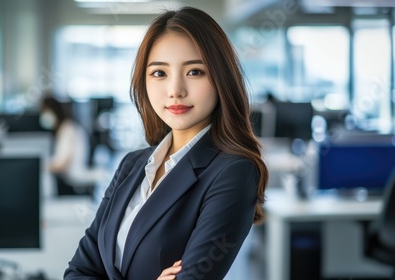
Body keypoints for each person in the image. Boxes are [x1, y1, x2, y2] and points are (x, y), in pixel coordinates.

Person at [64, 6, 268, 280]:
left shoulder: (233, 172)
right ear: (143, 83)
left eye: (195, 72)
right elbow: (78, 270)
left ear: (221, 79)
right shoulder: (132, 165)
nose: (175, 90)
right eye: (159, 73)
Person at [40, 95, 99, 195]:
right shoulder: (67, 127)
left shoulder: (67, 130)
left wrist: (39, 166)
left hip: (74, 180)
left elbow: (62, 163)